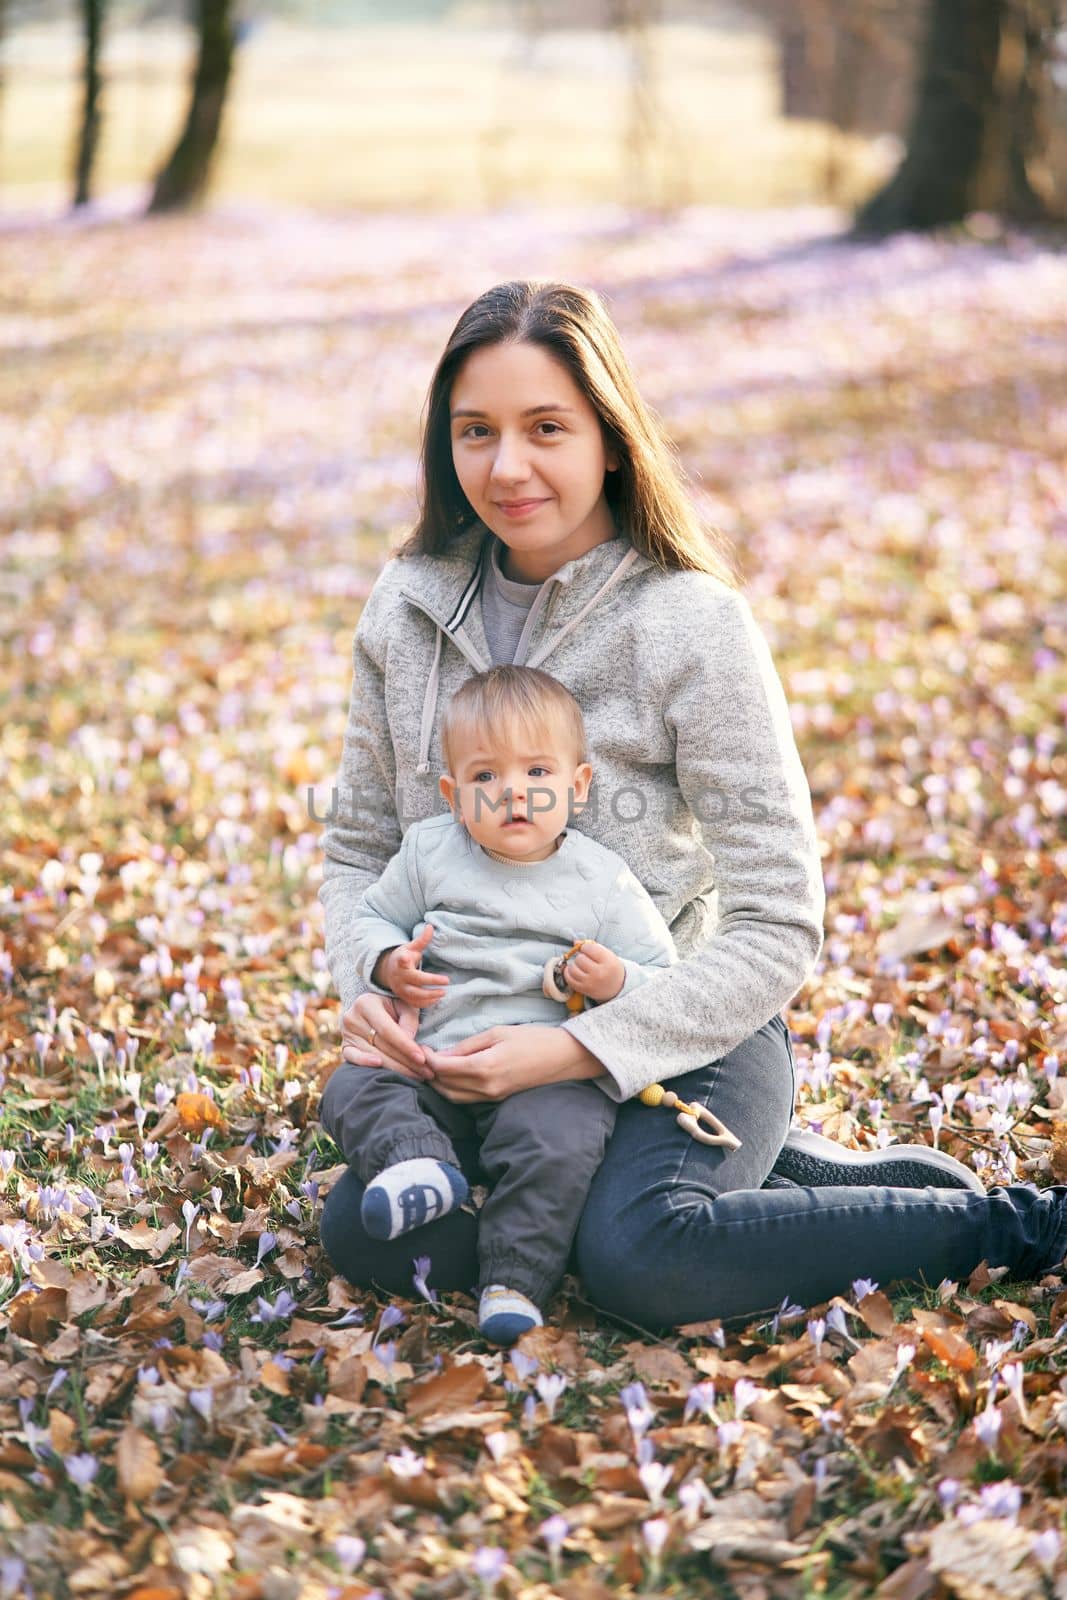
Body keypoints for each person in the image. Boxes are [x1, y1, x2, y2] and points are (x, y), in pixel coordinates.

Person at [316, 279, 1067, 1330]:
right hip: (479, 1041)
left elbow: (775, 922)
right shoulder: (407, 607)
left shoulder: (689, 624)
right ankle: (759, 1182)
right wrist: (369, 973)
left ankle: (1008, 1225)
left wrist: (581, 1048)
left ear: (611, 441)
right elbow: (359, 849)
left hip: (685, 1029)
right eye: (474, 431)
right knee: (366, 1230)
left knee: (643, 1263)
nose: (506, 466)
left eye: (545, 429)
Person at [337, 663, 688, 1343]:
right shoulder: (429, 852)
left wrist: (615, 979)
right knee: (352, 1087)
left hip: (544, 1068)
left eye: (536, 774)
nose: (512, 794)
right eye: (484, 777)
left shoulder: (600, 880)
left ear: (576, 785)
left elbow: (662, 981)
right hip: (429, 1055)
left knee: (558, 1144)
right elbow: (370, 916)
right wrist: (387, 961)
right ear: (453, 793)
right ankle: (417, 1165)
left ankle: (514, 1279)